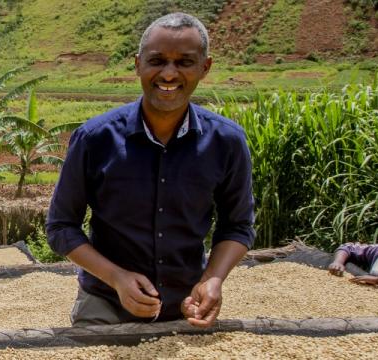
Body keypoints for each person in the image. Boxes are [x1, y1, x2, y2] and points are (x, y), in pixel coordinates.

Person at [44, 13, 255, 328]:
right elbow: (61, 227)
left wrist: (212, 279)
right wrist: (116, 277)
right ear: (138, 64)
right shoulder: (95, 138)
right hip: (106, 301)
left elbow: (237, 226)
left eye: (184, 62)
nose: (169, 74)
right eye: (157, 61)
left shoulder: (227, 141)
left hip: (188, 304)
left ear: (205, 67)